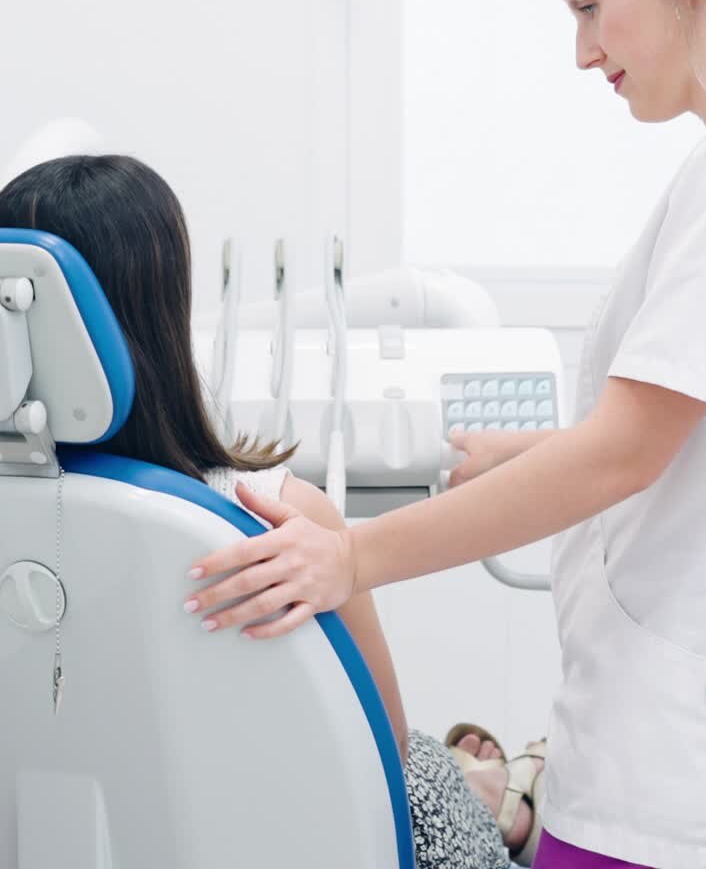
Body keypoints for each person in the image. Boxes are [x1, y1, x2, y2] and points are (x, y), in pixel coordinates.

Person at [186, 0, 706, 869]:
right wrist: (548, 449)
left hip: (666, 771)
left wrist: (352, 558)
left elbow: (627, 454)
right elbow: (661, 433)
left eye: (591, 7)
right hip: (636, 749)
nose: (581, 50)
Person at [0, 153, 546, 869]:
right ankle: (504, 794)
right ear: (163, 309)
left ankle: (494, 788)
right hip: (326, 840)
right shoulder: (284, 519)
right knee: (428, 766)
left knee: (438, 766)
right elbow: (383, 748)